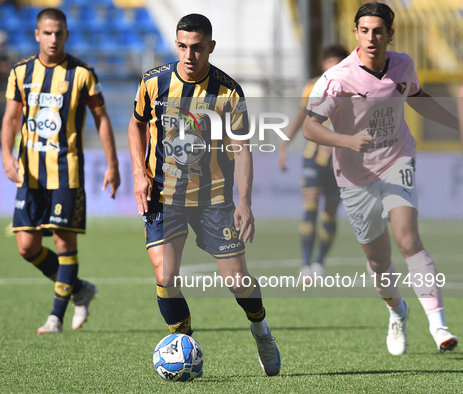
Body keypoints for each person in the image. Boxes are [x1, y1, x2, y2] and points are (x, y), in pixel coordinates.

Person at [127, 14, 281, 376]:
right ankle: (183, 346)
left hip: (213, 198)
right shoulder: (154, 82)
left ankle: (261, 330)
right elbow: (135, 124)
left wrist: (245, 202)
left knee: (237, 281)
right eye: (182, 46)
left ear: (210, 47)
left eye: (197, 48)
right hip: (164, 196)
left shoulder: (228, 92)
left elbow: (242, 149)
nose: (189, 55)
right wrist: (138, 173)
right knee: (166, 275)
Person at [303, 2, 459, 355]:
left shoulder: (403, 64)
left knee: (407, 238)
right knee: (378, 260)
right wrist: (346, 140)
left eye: (378, 31)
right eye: (364, 30)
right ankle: (396, 311)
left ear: (390, 34)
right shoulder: (337, 78)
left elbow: (417, 97)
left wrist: (455, 122)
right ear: (355, 33)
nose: (371, 37)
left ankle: (439, 326)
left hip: (397, 159)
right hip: (354, 176)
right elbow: (311, 127)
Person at [1, 8, 120, 335]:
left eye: (59, 33)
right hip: (31, 175)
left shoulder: (82, 74)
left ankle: (55, 317)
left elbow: (102, 119)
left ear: (66, 35)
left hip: (67, 174)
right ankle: (80, 289)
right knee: (27, 247)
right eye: (47, 33)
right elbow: (10, 118)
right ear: (37, 34)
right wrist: (6, 155)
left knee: (66, 244)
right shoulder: (20, 72)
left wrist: (113, 164)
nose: (53, 39)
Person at [278, 44, 348, 281]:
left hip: (340, 159)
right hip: (312, 156)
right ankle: (306, 264)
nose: (333, 66)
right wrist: (285, 144)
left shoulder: (354, 88)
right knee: (309, 209)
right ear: (324, 64)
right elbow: (301, 116)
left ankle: (319, 262)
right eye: (329, 61)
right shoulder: (313, 86)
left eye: (338, 62)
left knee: (329, 214)